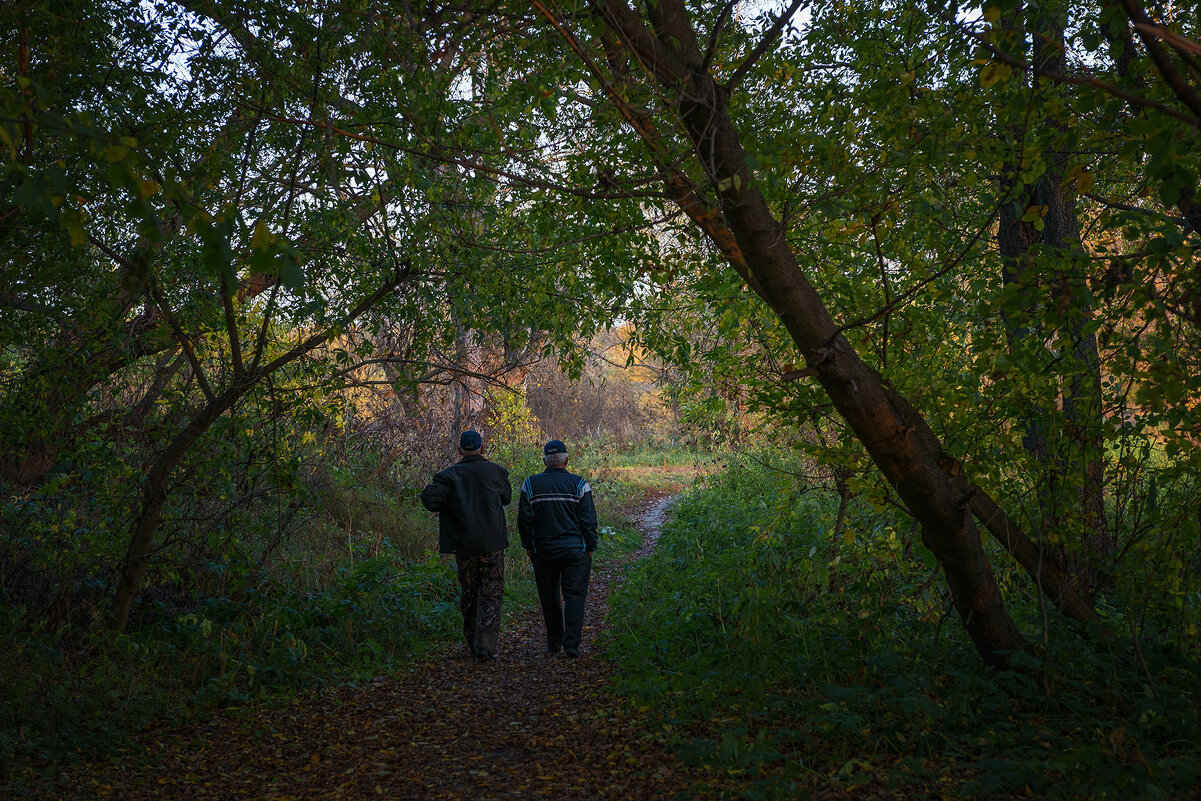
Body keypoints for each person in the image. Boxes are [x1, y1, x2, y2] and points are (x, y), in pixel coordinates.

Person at [420, 430, 511, 660]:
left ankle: (474, 643)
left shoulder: (449, 476)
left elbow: (430, 500)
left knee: (470, 594)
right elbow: (507, 498)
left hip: (464, 545)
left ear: (459, 450)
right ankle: (485, 647)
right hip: (492, 544)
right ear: (482, 448)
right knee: (491, 594)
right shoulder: (496, 472)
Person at [518, 439, 598, 658]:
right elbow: (588, 521)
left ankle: (554, 642)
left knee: (549, 596)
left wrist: (529, 547)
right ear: (566, 460)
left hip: (544, 552)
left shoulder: (530, 484)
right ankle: (571, 645)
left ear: (544, 460)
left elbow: (524, 520)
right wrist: (590, 547)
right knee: (574, 596)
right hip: (575, 552)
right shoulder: (580, 484)